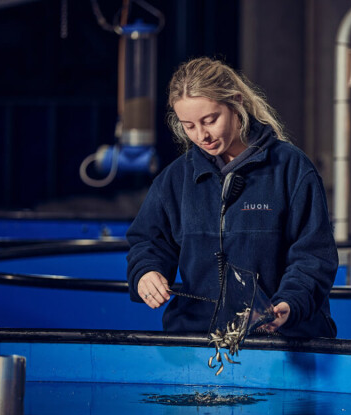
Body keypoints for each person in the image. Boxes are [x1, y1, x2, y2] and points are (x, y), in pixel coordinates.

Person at [126, 57, 338, 338]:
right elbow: (148, 242)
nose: (202, 135)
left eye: (210, 120)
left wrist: (289, 304)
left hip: (283, 342)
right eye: (188, 125)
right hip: (197, 342)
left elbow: (314, 256)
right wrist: (146, 271)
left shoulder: (292, 169)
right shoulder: (175, 179)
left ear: (236, 103)